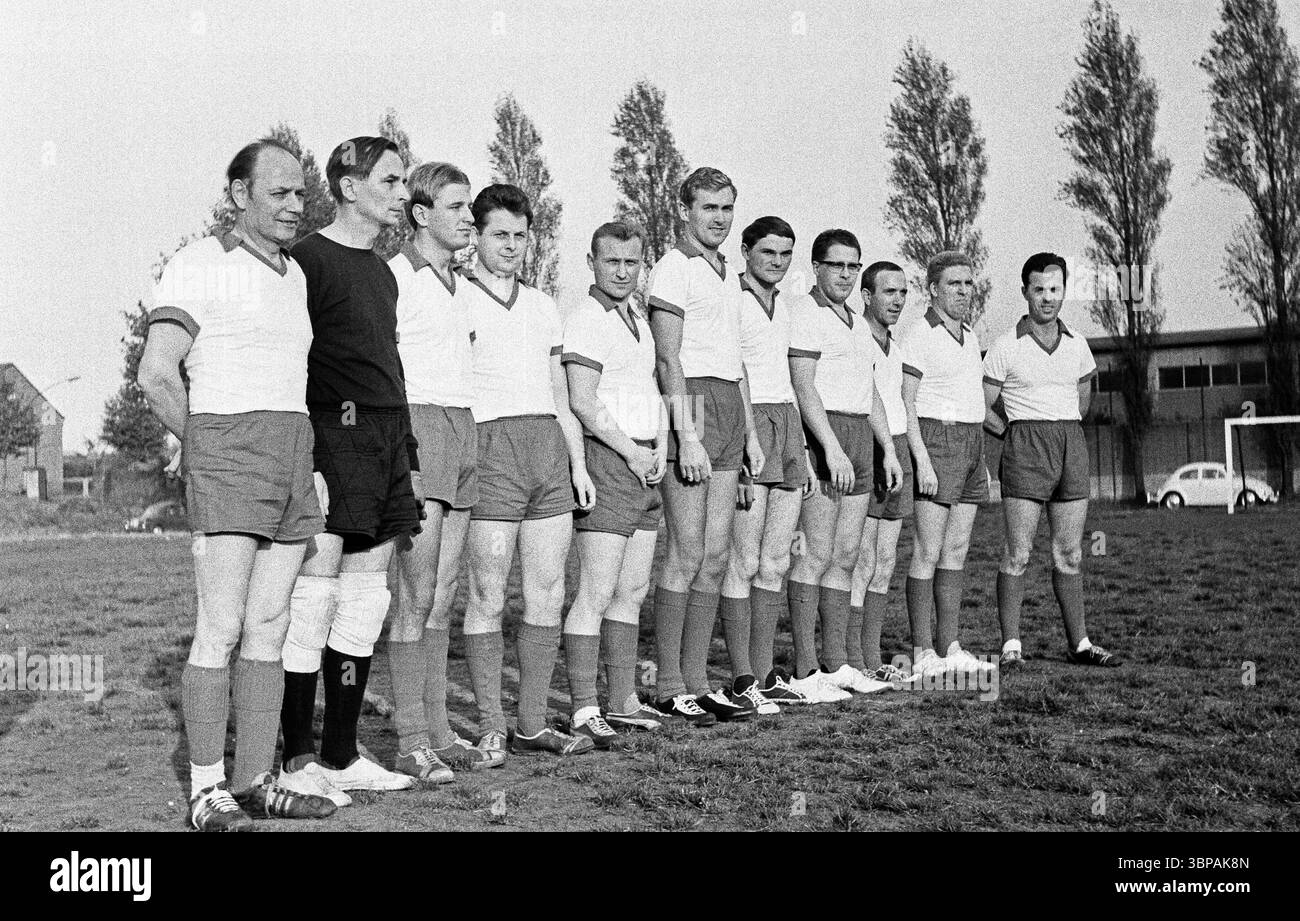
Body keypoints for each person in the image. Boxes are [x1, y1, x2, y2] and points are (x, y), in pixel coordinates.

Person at [139, 139, 337, 830]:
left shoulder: (294, 275)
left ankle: (257, 779)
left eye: (299, 192)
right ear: (239, 195)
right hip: (229, 446)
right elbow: (157, 373)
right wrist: (206, 451)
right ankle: (205, 788)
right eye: (278, 191)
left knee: (271, 623)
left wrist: (305, 459)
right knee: (221, 624)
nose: (294, 204)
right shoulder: (199, 264)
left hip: (290, 451)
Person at [278, 136, 423, 795]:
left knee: (367, 599)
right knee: (314, 594)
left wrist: (410, 455)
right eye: (391, 181)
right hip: (333, 434)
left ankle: (342, 752)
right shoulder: (305, 260)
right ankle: (297, 758)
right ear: (347, 185)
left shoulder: (383, 269)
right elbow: (285, 363)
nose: (402, 194)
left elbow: (387, 368)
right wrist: (304, 454)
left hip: (387, 437)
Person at [460, 184, 596, 758]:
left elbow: (561, 395)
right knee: (488, 592)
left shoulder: (543, 306)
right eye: (500, 235)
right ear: (477, 235)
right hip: (490, 448)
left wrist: (579, 463)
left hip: (546, 447)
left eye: (520, 235)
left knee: (547, 590)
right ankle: (492, 721)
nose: (511, 246)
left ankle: (533, 722)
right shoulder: (456, 297)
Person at [385, 161, 496, 780]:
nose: (468, 218)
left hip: (463, 426)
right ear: (421, 214)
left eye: (470, 207)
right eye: (456, 207)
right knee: (414, 592)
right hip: (417, 430)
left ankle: (439, 730)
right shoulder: (395, 276)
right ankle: (408, 741)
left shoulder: (463, 283)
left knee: (444, 595)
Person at [648, 167, 766, 724]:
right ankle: (666, 683)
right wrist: (685, 433)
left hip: (726, 405)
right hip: (689, 403)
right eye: (708, 208)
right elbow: (667, 358)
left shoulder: (725, 273)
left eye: (727, 209)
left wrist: (749, 435)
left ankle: (697, 679)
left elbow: (736, 361)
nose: (718, 218)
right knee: (686, 551)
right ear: (685, 211)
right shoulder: (674, 268)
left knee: (718, 555)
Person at [982, 252, 1123, 668]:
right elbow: (983, 406)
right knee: (1018, 552)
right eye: (1039, 289)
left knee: (1070, 553)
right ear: (1025, 291)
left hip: (1070, 445)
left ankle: (1079, 644)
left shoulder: (1078, 344)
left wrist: (1063, 433)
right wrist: (1013, 433)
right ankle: (1011, 646)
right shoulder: (1006, 346)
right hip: (1025, 445)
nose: (1048, 297)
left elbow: (1082, 400)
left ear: (1064, 292)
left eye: (1056, 289)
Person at [561, 221, 673, 747]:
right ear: (592, 262)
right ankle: (584, 708)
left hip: (645, 462)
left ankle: (623, 699)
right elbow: (583, 400)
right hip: (612, 461)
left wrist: (661, 451)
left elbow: (650, 387)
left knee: (631, 591)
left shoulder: (636, 316)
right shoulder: (586, 317)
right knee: (597, 591)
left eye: (632, 263)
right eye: (612, 262)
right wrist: (631, 453)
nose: (623, 272)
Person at [787, 230, 902, 701]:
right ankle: (804, 670)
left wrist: (889, 449)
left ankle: (837, 663)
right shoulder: (804, 313)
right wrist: (829, 448)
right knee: (814, 554)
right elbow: (803, 385)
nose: (846, 275)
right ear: (816, 267)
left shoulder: (856, 321)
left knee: (846, 557)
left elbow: (870, 391)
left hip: (859, 434)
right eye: (837, 265)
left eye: (854, 267)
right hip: (825, 435)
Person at [720, 216, 812, 709]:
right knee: (744, 558)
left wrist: (803, 450)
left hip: (787, 424)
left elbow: (794, 380)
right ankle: (740, 677)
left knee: (775, 561)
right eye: (768, 253)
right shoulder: (729, 299)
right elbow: (733, 374)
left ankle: (764, 671)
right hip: (746, 424)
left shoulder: (790, 306)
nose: (777, 262)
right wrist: (743, 444)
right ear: (746, 251)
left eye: (785, 255)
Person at [899, 251, 997, 678]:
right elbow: (905, 401)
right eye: (954, 283)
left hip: (971, 444)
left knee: (955, 551)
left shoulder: (971, 336)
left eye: (968, 283)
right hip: (935, 440)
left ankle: (948, 644)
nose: (963, 291)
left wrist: (982, 458)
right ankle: (921, 651)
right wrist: (921, 459)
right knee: (927, 550)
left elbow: (974, 399)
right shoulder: (919, 334)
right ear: (934, 289)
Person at [849, 261, 922, 683]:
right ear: (867, 296)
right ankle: (852, 658)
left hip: (898, 452)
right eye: (888, 292)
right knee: (860, 558)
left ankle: (872, 655)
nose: (896, 301)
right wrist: (886, 450)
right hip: (872, 450)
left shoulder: (896, 344)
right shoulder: (856, 337)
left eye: (902, 293)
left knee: (885, 558)